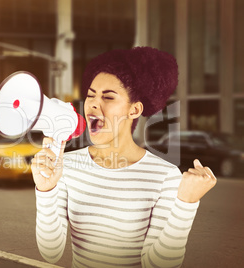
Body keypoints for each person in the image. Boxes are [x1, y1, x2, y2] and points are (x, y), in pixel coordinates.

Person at [31, 47, 217, 268]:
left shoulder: (164, 175)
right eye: (91, 95)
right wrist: (46, 190)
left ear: (135, 109)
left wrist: (186, 204)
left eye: (108, 97)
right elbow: (51, 253)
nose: (93, 104)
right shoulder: (66, 165)